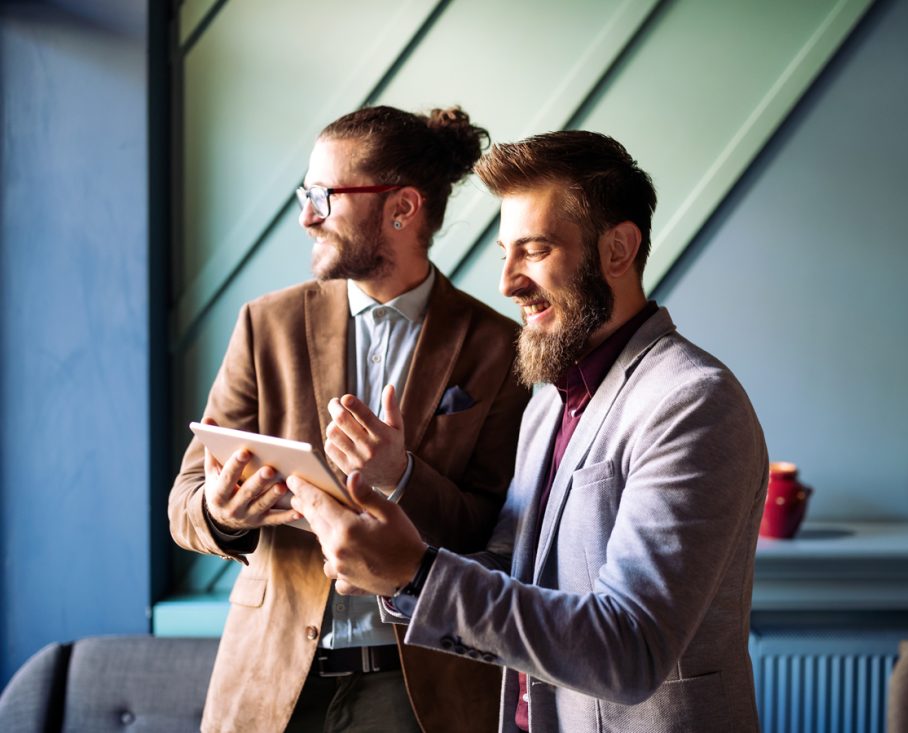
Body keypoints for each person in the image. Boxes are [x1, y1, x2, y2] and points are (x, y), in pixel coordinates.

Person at [288, 130, 769, 732]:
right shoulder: (545, 407)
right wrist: (395, 512)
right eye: (504, 253)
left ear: (618, 251)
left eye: (535, 251)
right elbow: (510, 572)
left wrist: (415, 571)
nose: (507, 282)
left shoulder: (693, 403)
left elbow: (629, 649)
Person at [168, 105, 530, 733]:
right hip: (272, 679)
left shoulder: (499, 346)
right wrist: (223, 516)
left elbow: (495, 533)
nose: (306, 216)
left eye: (324, 196)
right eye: (305, 195)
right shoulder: (265, 326)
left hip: (422, 687)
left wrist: (403, 476)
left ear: (401, 208)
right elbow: (185, 503)